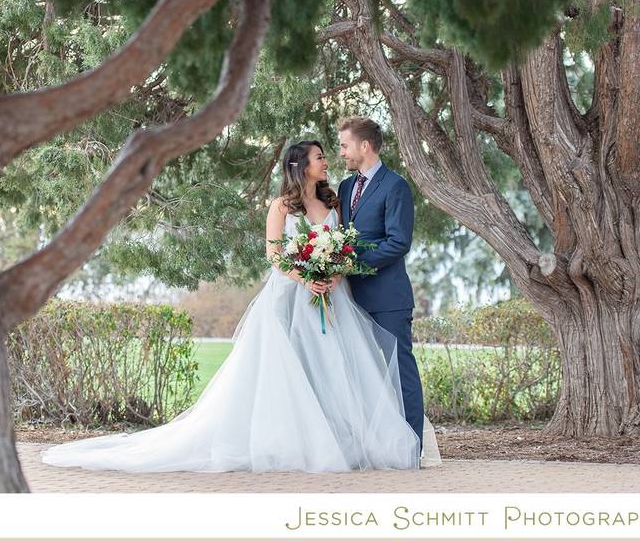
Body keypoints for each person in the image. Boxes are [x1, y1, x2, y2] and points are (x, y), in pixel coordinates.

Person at [40, 140, 440, 472]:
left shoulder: (333, 206)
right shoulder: (281, 207)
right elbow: (274, 254)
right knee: (289, 371)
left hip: (331, 295)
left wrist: (332, 275)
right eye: (319, 156)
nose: (326, 161)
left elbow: (342, 248)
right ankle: (290, 441)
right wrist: (307, 278)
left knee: (332, 369)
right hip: (290, 298)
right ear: (300, 165)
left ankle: (336, 439)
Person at [337, 118, 425, 454]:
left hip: (387, 298)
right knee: (359, 375)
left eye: (345, 145)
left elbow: (398, 242)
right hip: (349, 298)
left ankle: (409, 449)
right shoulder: (345, 188)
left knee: (399, 374)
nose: (342, 152)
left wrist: (351, 262)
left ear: (365, 146)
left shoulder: (395, 186)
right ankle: (370, 446)